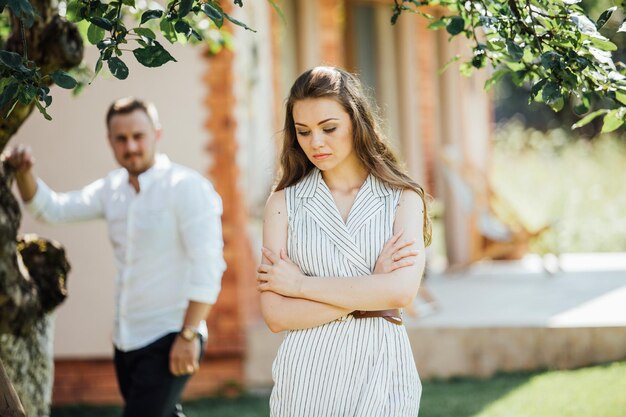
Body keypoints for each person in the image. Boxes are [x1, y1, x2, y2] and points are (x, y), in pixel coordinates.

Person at [4, 97, 226, 417]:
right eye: (121, 139)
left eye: (139, 136)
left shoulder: (187, 188)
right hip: (126, 341)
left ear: (157, 135)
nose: (131, 147)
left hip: (171, 335)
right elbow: (52, 209)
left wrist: (189, 334)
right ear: (110, 141)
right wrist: (24, 171)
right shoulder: (112, 190)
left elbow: (209, 266)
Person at [257, 67, 431, 417]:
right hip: (306, 380)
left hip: (382, 374)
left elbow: (400, 293)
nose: (315, 143)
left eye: (329, 128)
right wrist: (371, 290)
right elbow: (276, 316)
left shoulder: (402, 198)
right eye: (303, 132)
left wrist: (301, 285)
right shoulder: (283, 204)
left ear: (357, 121)